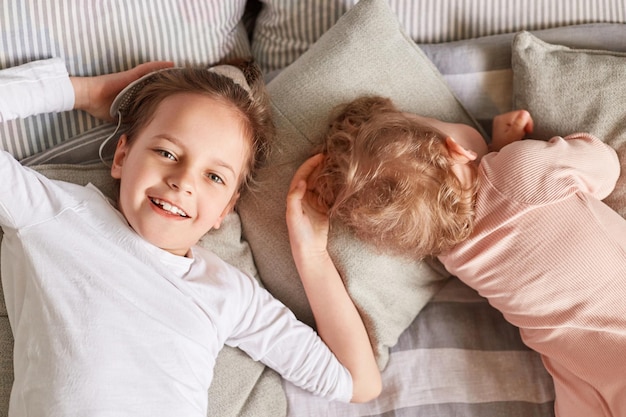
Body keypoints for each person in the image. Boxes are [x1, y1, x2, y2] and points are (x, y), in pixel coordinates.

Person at [0, 59, 381, 417]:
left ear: (225, 210)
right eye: (167, 152)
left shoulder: (228, 293)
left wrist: (312, 253)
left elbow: (358, 382)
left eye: (214, 177)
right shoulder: (55, 214)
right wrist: (84, 93)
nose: (182, 181)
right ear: (122, 156)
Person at [290, 95, 626, 416]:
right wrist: (508, 151)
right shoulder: (518, 168)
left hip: (581, 377)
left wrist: (495, 152)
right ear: (456, 148)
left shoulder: (454, 254)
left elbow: (490, 215)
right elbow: (606, 167)